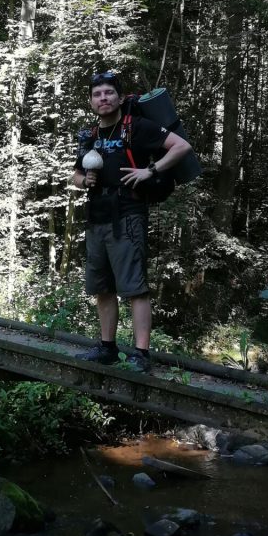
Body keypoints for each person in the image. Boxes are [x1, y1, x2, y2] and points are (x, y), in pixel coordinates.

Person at [71, 71, 192, 372]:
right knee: (102, 287)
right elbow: (73, 175)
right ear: (90, 101)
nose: (103, 98)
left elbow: (181, 146)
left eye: (109, 93)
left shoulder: (136, 127)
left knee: (135, 287)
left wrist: (149, 171)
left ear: (120, 97)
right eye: (97, 94)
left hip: (128, 215)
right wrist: (84, 181)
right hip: (96, 216)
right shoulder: (90, 135)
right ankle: (107, 348)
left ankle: (141, 354)